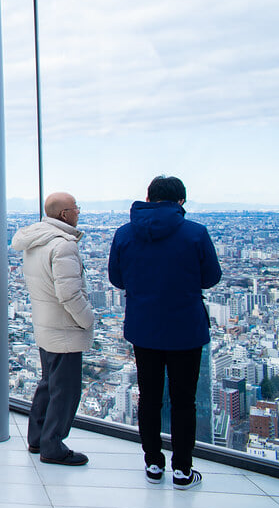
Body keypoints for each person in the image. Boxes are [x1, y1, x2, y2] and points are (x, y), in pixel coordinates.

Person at [109, 176, 221, 490]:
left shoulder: (124, 234)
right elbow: (211, 277)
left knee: (149, 399)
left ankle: (153, 464)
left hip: (144, 328)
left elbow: (117, 279)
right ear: (180, 202)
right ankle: (183, 470)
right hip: (186, 328)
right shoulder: (195, 233)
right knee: (184, 401)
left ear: (149, 197)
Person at [12, 192, 95, 467]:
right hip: (65, 327)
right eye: (75, 208)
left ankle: (37, 438)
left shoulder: (35, 241)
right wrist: (88, 320)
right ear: (64, 214)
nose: (78, 212)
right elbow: (70, 294)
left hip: (44, 324)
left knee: (48, 384)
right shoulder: (63, 245)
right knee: (66, 390)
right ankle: (53, 445)